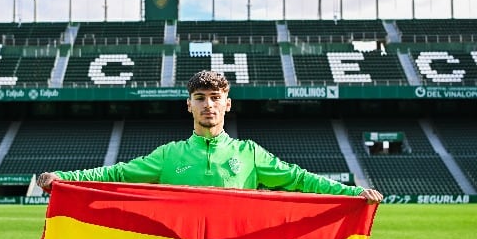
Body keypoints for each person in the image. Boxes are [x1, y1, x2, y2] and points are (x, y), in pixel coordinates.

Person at [37, 70, 383, 204]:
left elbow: (300, 179)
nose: (209, 105)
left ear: (227, 104)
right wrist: (64, 178)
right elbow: (114, 174)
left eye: (215, 98)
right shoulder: (168, 156)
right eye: (200, 98)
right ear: (188, 105)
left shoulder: (249, 154)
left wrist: (353, 194)